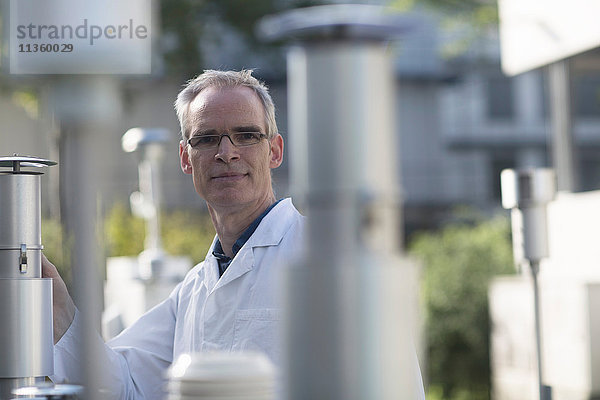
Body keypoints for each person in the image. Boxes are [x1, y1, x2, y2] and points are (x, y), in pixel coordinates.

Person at [44, 69, 425, 399]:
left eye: (245, 135)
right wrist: (61, 312)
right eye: (207, 139)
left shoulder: (332, 258)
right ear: (184, 158)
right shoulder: (192, 292)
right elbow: (124, 386)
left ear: (275, 151)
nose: (226, 152)